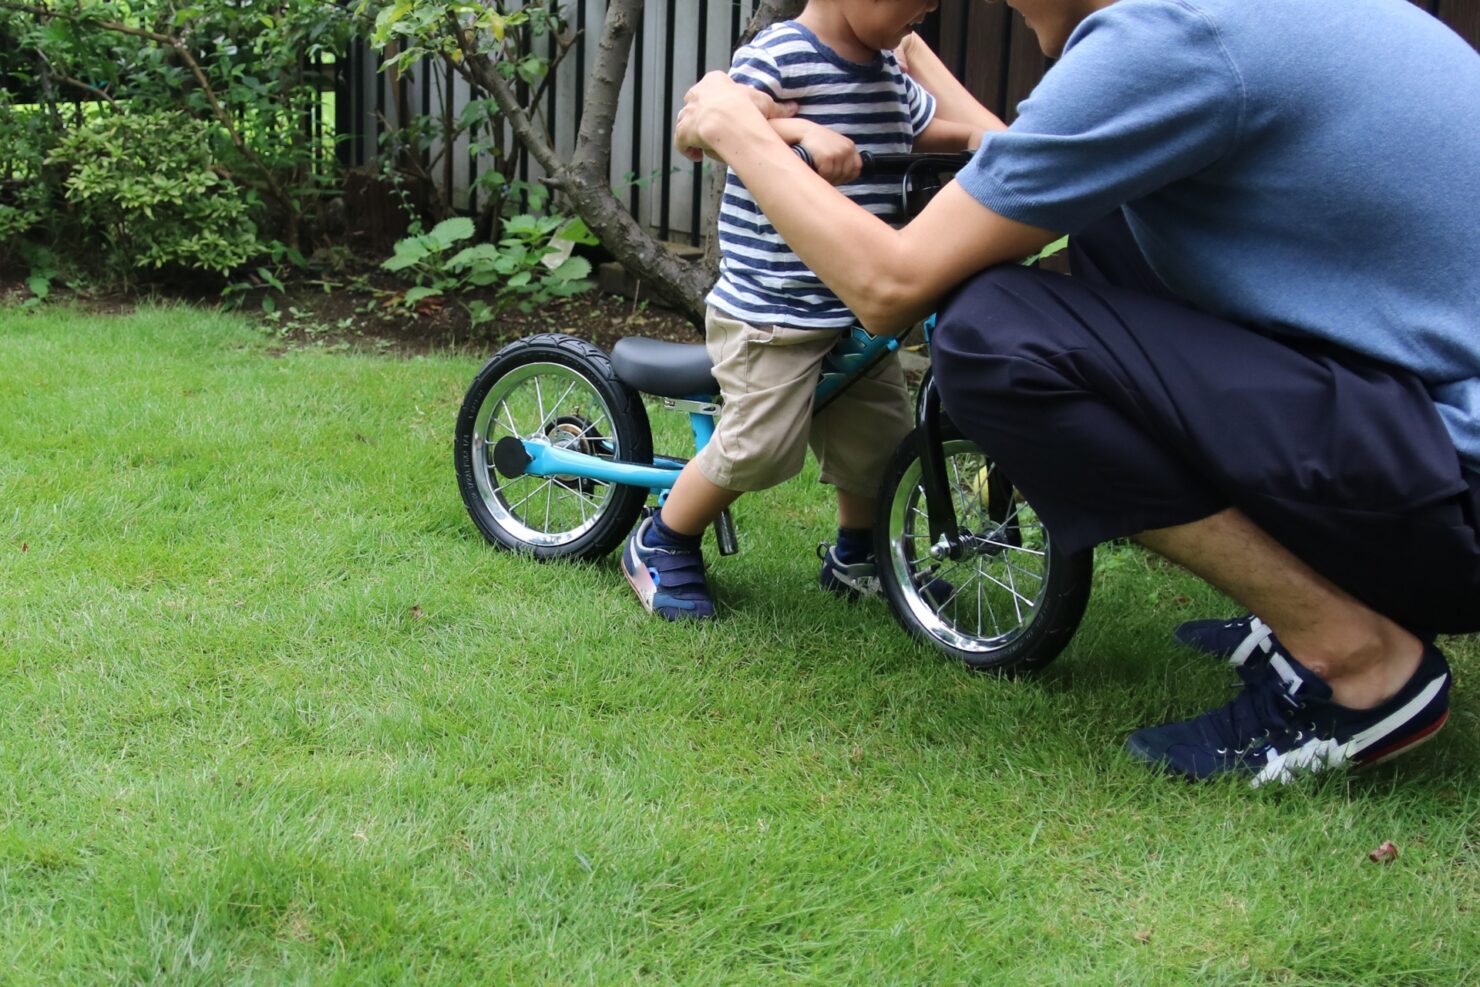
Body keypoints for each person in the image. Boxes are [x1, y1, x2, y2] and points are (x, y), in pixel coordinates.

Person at [673, 0, 1480, 784]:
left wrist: (739, 130)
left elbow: (890, 285)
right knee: (1103, 215)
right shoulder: (1226, 21)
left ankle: (1354, 658)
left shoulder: (1166, 41)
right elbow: (1017, 153)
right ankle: (1327, 595)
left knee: (989, 334)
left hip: (1452, 490)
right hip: (1431, 447)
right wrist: (907, 63)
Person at [622, 0, 985, 621]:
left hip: (855, 310)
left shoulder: (888, 73)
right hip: (773, 310)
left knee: (881, 445)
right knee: (760, 446)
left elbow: (929, 131)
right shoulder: (782, 53)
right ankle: (662, 539)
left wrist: (981, 141)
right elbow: (695, 130)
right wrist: (800, 132)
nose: (927, 8)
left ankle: (858, 555)